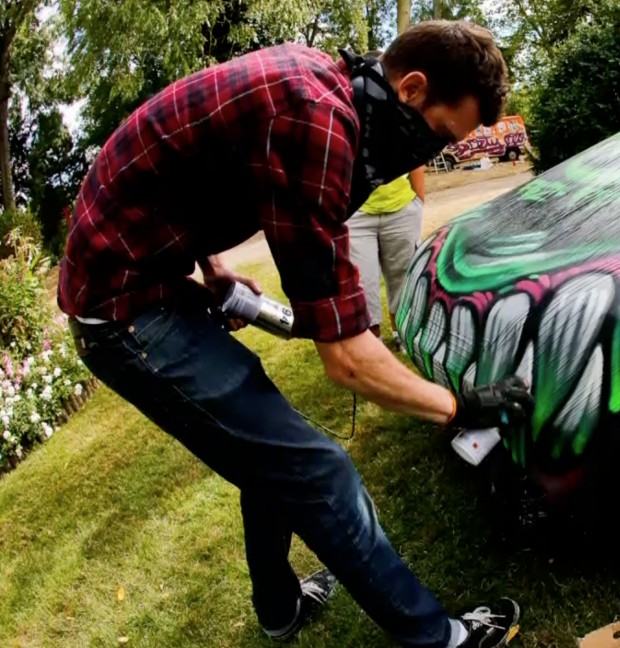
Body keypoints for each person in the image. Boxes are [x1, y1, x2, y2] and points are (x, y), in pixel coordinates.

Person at [57, 20, 531, 648]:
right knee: (316, 468)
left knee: (270, 456)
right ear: (412, 89)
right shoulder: (315, 120)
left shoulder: (321, 79)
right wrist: (459, 406)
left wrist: (215, 266)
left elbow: (187, 167)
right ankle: (440, 640)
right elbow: (349, 361)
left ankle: (279, 611)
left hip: (148, 278)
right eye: (439, 136)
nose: (426, 155)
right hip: (123, 314)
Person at [347, 49, 426, 346]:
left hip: (401, 210)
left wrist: (417, 202)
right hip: (359, 215)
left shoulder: (403, 113)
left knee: (402, 279)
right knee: (361, 283)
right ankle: (372, 344)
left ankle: (402, 335)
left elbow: (417, 159)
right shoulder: (352, 108)